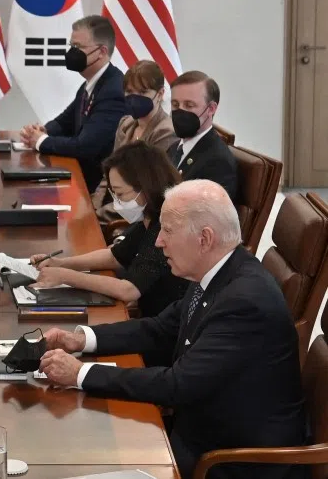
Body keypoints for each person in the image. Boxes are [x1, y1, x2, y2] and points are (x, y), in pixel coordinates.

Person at [38, 180, 306, 479]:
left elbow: (176, 385)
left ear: (204, 239)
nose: (158, 242)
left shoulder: (244, 302)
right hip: (197, 431)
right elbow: (159, 329)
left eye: (168, 230)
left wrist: (79, 374)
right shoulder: (217, 273)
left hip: (233, 461)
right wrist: (80, 340)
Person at [30, 141, 188, 320]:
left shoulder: (165, 224)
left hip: (166, 325)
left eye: (120, 194)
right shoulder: (149, 217)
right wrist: (61, 263)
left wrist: (66, 276)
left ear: (145, 186)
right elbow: (115, 256)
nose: (117, 202)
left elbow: (128, 290)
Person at [19, 15, 127, 190]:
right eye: (71, 46)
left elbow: (85, 147)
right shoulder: (89, 84)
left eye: (78, 47)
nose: (71, 52)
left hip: (94, 188)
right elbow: (64, 122)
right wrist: (42, 131)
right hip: (77, 177)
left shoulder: (113, 91)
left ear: (102, 52)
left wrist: (41, 141)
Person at [92, 60, 177, 224]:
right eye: (130, 91)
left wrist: (97, 216)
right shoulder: (126, 123)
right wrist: (93, 206)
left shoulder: (165, 132)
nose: (135, 97)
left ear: (160, 94)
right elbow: (109, 175)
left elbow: (144, 192)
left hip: (136, 215)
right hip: (112, 204)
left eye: (143, 92)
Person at [167, 70, 237, 201]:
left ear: (211, 109)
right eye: (175, 104)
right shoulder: (174, 148)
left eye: (189, 105)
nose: (180, 111)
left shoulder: (218, 162)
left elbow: (207, 218)